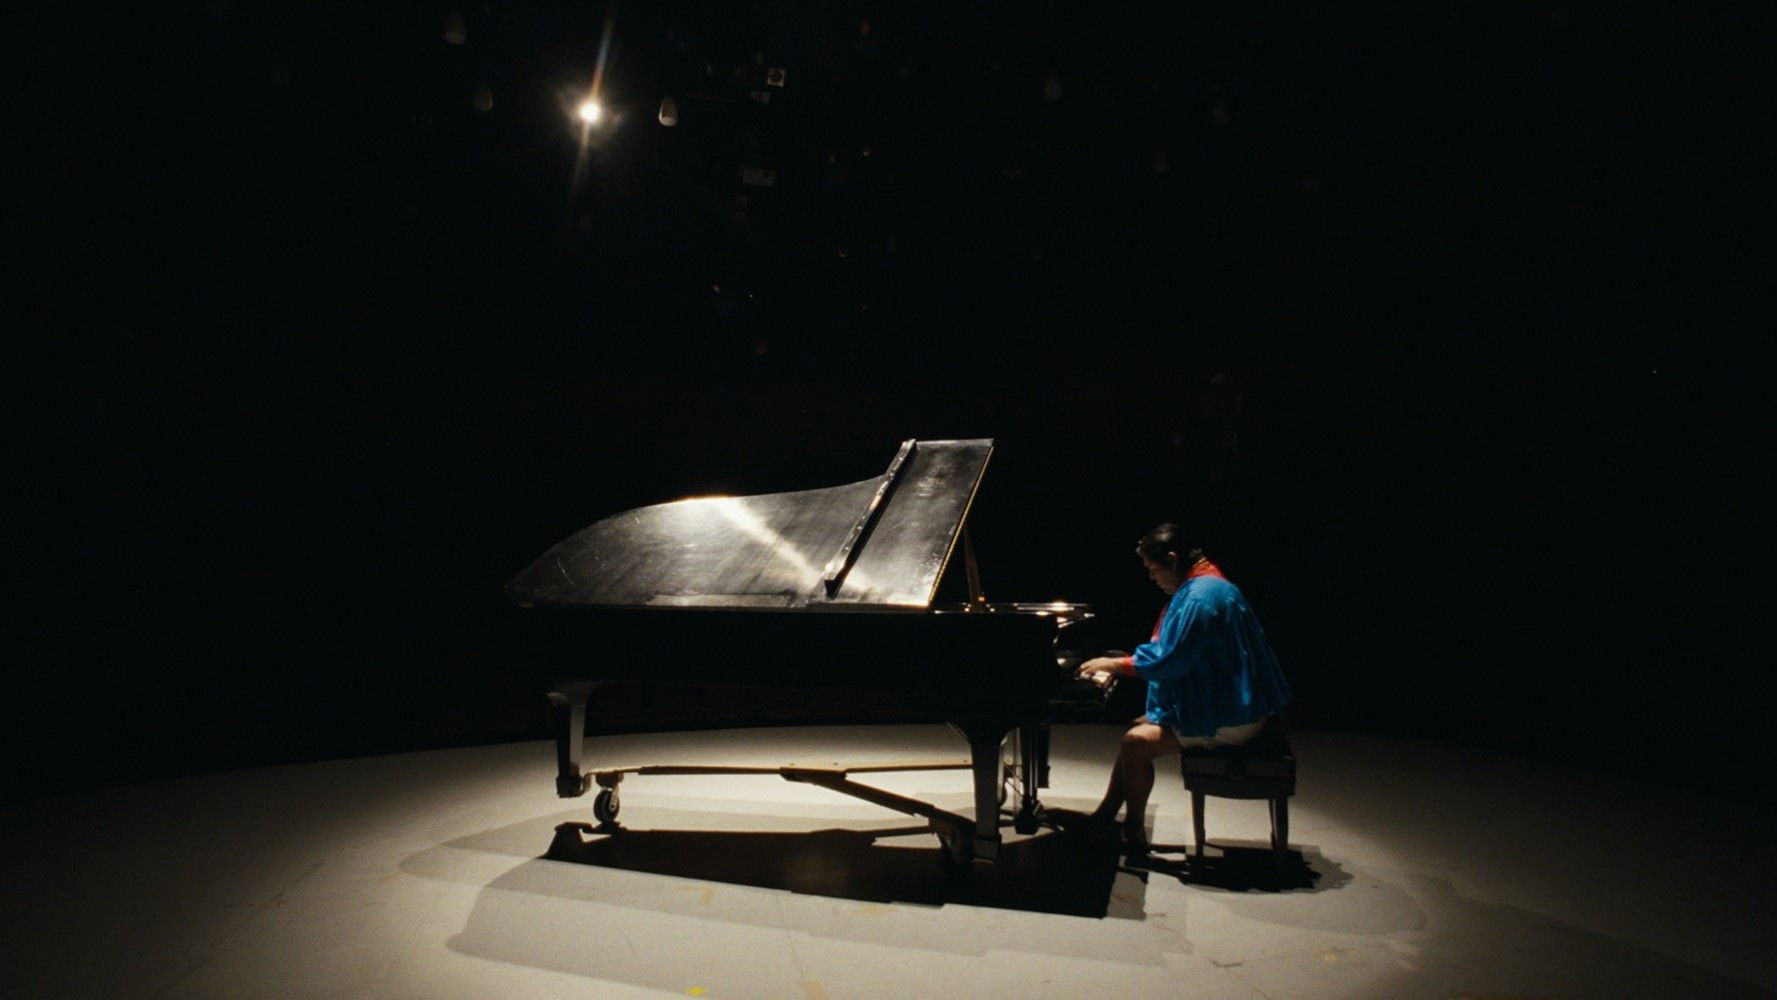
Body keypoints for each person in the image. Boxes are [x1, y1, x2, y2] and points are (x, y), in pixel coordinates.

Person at [1076, 523, 1292, 854]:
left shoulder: (1200, 597)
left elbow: (1172, 660)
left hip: (1233, 718)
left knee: (1135, 744)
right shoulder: (1209, 583)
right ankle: (1106, 815)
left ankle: (1133, 831)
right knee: (1136, 728)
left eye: (1153, 569)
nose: (1152, 577)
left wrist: (1116, 664)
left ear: (1173, 559)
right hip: (1234, 703)